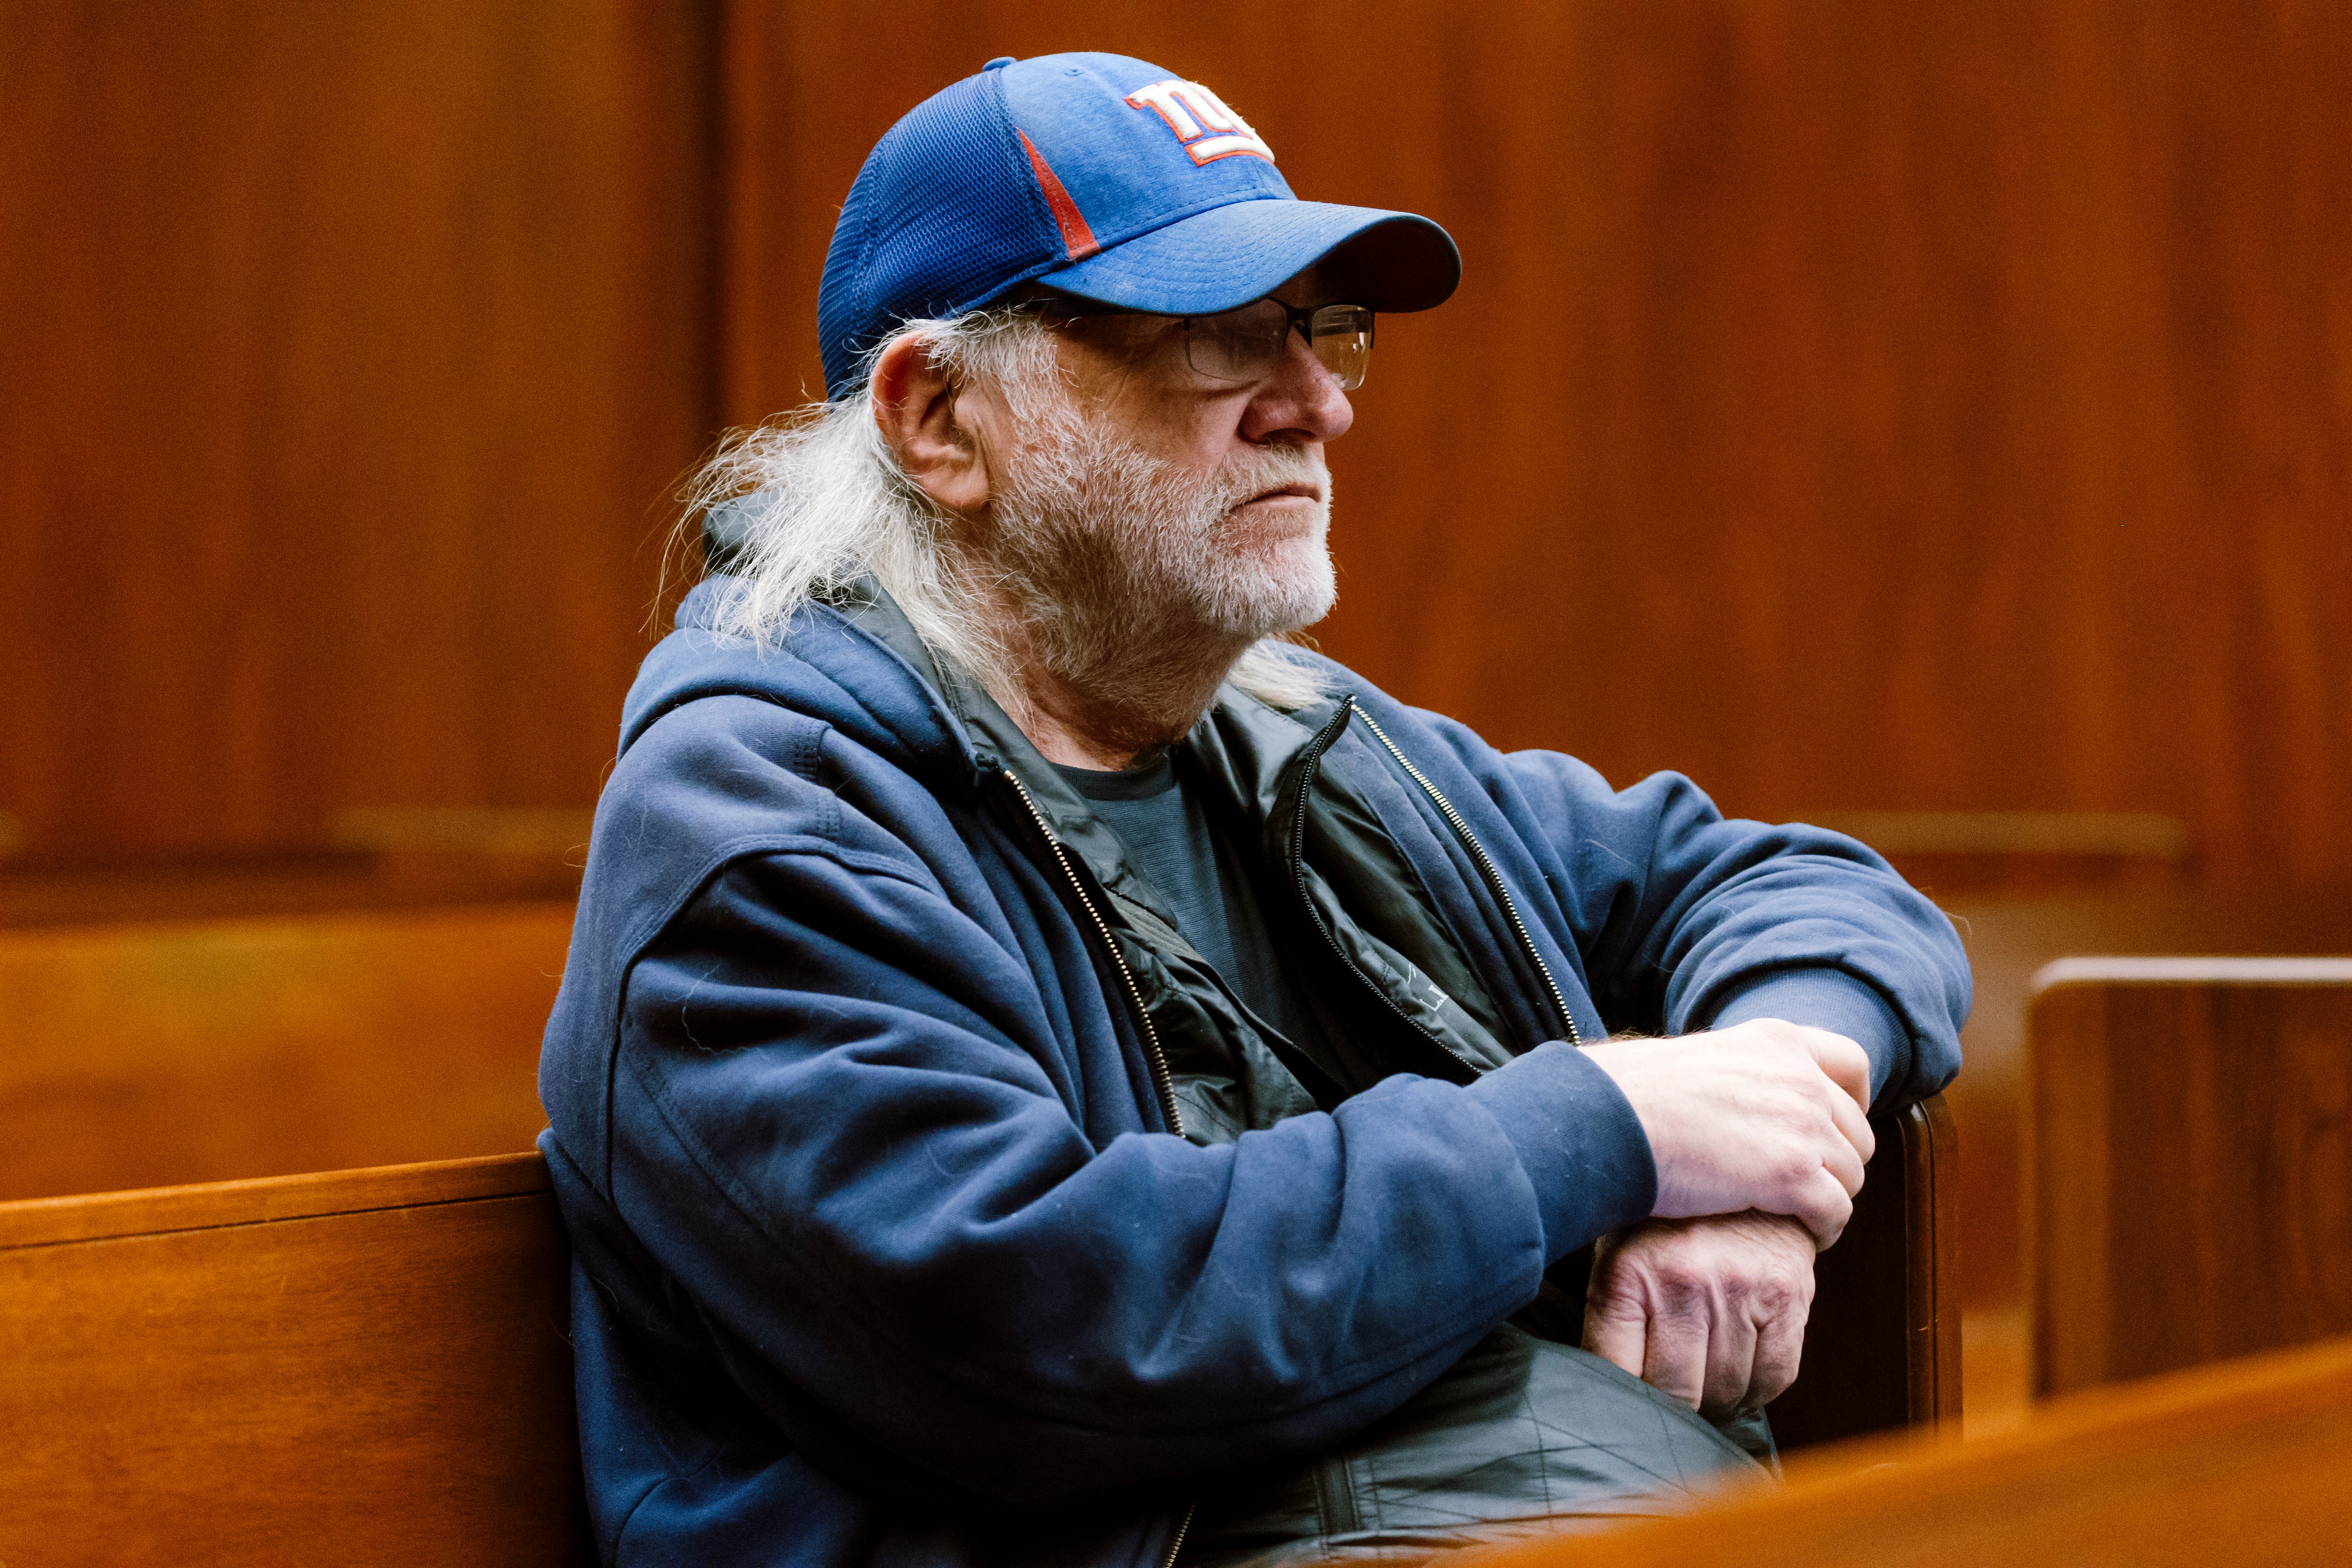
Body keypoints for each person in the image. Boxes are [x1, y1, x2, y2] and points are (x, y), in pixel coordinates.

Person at [537, 51, 1969, 1568]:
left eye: (1323, 332)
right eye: (1224, 339)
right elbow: (1051, 1327)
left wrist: (1757, 1131)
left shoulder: (1294, 734)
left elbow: (1793, 887)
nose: (1318, 407)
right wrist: (1604, 1131)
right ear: (940, 419)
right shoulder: (763, 827)